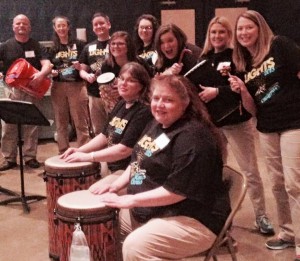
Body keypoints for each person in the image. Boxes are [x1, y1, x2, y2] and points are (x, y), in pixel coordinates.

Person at [91, 74, 231, 260]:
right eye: (156, 98)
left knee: (136, 246)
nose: (159, 105)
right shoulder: (157, 124)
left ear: (186, 102)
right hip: (155, 209)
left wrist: (132, 200)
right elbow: (137, 160)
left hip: (194, 219)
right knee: (99, 219)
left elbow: (176, 192)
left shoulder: (193, 138)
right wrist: (116, 185)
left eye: (168, 100)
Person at [230, 10, 300, 261]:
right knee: (278, 183)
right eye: (240, 30)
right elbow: (252, 109)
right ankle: (288, 233)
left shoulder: (279, 45)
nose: (244, 33)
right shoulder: (244, 65)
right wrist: (241, 90)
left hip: (294, 122)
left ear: (259, 27)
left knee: (295, 183)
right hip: (267, 127)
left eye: (249, 27)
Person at [196, 16, 274, 235]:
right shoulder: (204, 59)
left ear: (229, 34)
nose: (217, 36)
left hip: (237, 123)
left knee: (250, 172)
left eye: (221, 32)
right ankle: (220, 217)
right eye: (213, 33)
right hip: (213, 126)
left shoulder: (237, 57)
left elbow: (246, 86)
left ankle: (261, 216)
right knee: (215, 172)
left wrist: (218, 92)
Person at [61, 62, 153, 185]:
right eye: (121, 78)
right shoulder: (121, 103)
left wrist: (89, 156)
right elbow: (104, 135)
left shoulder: (144, 111)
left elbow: (124, 150)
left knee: (94, 195)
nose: (123, 83)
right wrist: (79, 150)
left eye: (131, 81)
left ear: (142, 85)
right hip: (113, 165)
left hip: (130, 170)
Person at [0, 14, 51, 171]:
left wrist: (41, 75)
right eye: (18, 23)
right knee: (9, 125)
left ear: (29, 27)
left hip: (31, 89)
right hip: (12, 90)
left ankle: (30, 157)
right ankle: (9, 158)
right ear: (13, 26)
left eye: (24, 23)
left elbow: (47, 64)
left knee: (31, 123)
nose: (21, 26)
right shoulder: (5, 46)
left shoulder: (36, 45)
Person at [49, 15, 90, 154]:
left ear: (68, 27)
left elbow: (87, 63)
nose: (61, 28)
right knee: (61, 123)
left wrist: (81, 67)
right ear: (55, 28)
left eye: (63, 25)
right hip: (58, 86)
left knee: (80, 122)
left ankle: (84, 150)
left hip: (77, 85)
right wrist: (52, 72)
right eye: (58, 26)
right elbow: (49, 67)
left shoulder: (80, 44)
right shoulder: (52, 48)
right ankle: (63, 151)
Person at [99, 31, 153, 113]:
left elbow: (149, 85)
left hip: (139, 105)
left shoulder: (140, 63)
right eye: (113, 44)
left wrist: (123, 91)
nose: (116, 46)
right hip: (116, 106)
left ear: (128, 46)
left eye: (120, 43)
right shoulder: (106, 65)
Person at [79, 12, 111, 136]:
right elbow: (82, 69)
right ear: (93, 28)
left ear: (108, 24)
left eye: (101, 23)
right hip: (94, 94)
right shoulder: (88, 47)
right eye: (95, 24)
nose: (99, 26)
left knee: (115, 129)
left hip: (113, 94)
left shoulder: (116, 43)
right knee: (98, 130)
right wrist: (87, 76)